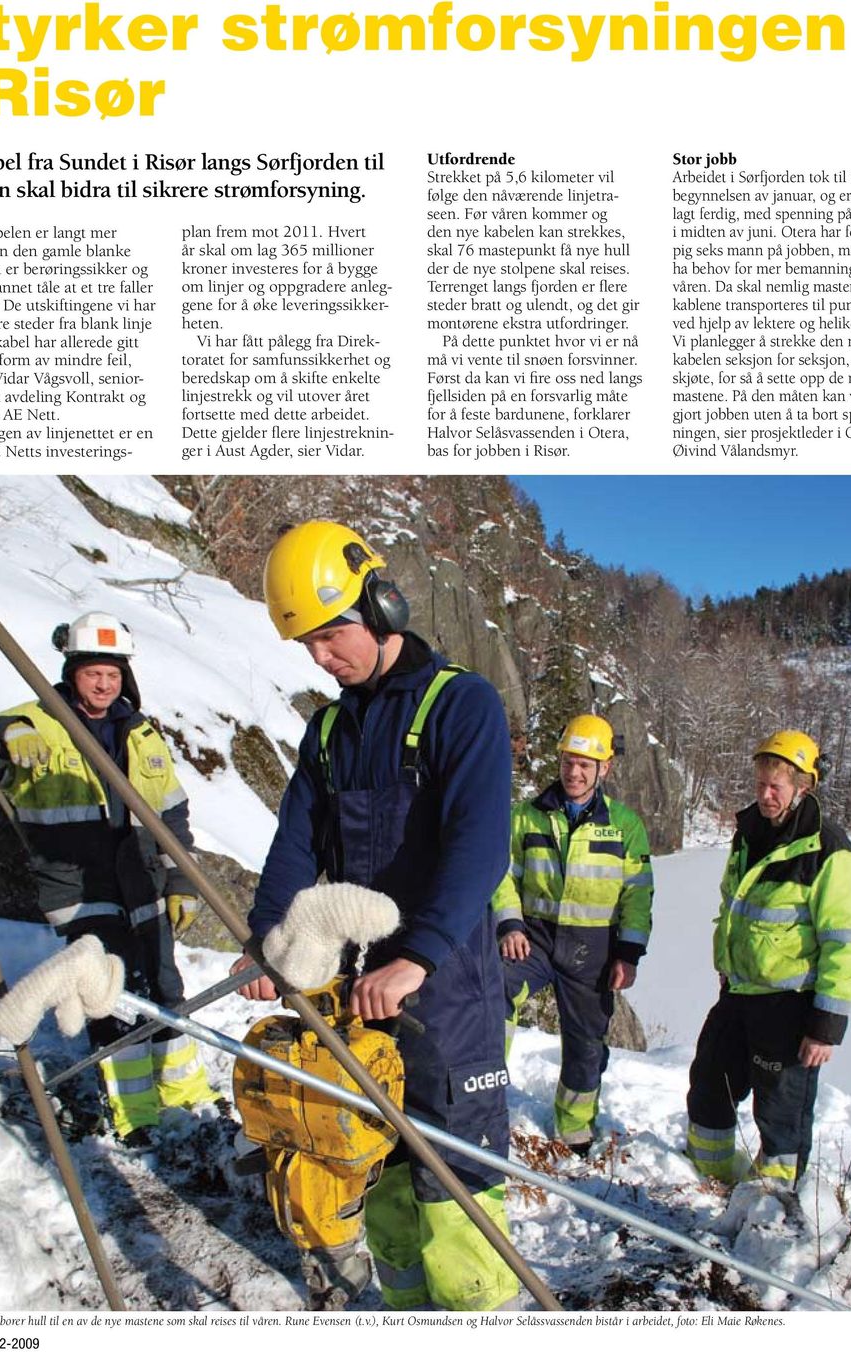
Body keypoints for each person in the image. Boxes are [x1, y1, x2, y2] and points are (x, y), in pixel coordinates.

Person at [231, 520, 519, 1312]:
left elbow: (479, 848)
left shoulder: (461, 705)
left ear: (382, 603)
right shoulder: (328, 731)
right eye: (308, 647)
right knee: (375, 1165)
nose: (323, 659)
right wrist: (269, 945)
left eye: (332, 635)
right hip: (363, 994)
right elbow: (295, 848)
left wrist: (417, 956)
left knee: (453, 1180)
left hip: (447, 986)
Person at [0, 612, 219, 1146]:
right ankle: (133, 1112)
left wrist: (182, 882)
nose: (103, 685)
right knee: (112, 992)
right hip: (79, 890)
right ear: (71, 672)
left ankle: (181, 1091)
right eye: (92, 674)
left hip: (142, 878)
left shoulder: (141, 732)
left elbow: (172, 816)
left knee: (165, 981)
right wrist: (2, 736)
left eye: (112, 674)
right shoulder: (33, 723)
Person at [686, 730, 851, 1187]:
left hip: (790, 1005)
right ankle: (711, 1184)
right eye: (760, 784)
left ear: (802, 787)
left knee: (780, 1115)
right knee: (710, 1086)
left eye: (776, 788)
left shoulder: (828, 850)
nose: (765, 795)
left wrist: (825, 1026)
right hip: (738, 994)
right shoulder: (749, 834)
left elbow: (844, 943)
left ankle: (772, 1207)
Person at [492, 714, 654, 1155]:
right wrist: (509, 923)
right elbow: (502, 875)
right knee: (492, 992)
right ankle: (483, 1099)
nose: (574, 771)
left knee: (586, 1040)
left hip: (593, 947)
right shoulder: (527, 817)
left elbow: (637, 895)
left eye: (585, 763)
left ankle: (575, 1127)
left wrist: (629, 953)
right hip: (535, 938)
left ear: (604, 768)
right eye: (568, 761)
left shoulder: (624, 825)